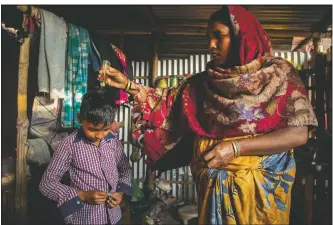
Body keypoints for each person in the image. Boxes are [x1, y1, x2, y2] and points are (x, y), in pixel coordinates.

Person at [98, 6, 318, 225]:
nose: (211, 45)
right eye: (208, 38)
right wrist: (128, 85)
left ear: (242, 38)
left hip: (260, 195)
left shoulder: (278, 75)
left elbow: (298, 134)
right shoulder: (205, 83)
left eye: (218, 36)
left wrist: (235, 149)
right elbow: (166, 102)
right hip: (212, 194)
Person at [39, 90, 132, 225]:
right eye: (93, 129)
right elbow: (46, 184)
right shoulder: (68, 145)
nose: (99, 135)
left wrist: (120, 193)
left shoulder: (112, 140)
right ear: (79, 118)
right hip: (85, 219)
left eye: (105, 129)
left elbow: (125, 168)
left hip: (114, 217)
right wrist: (82, 195)